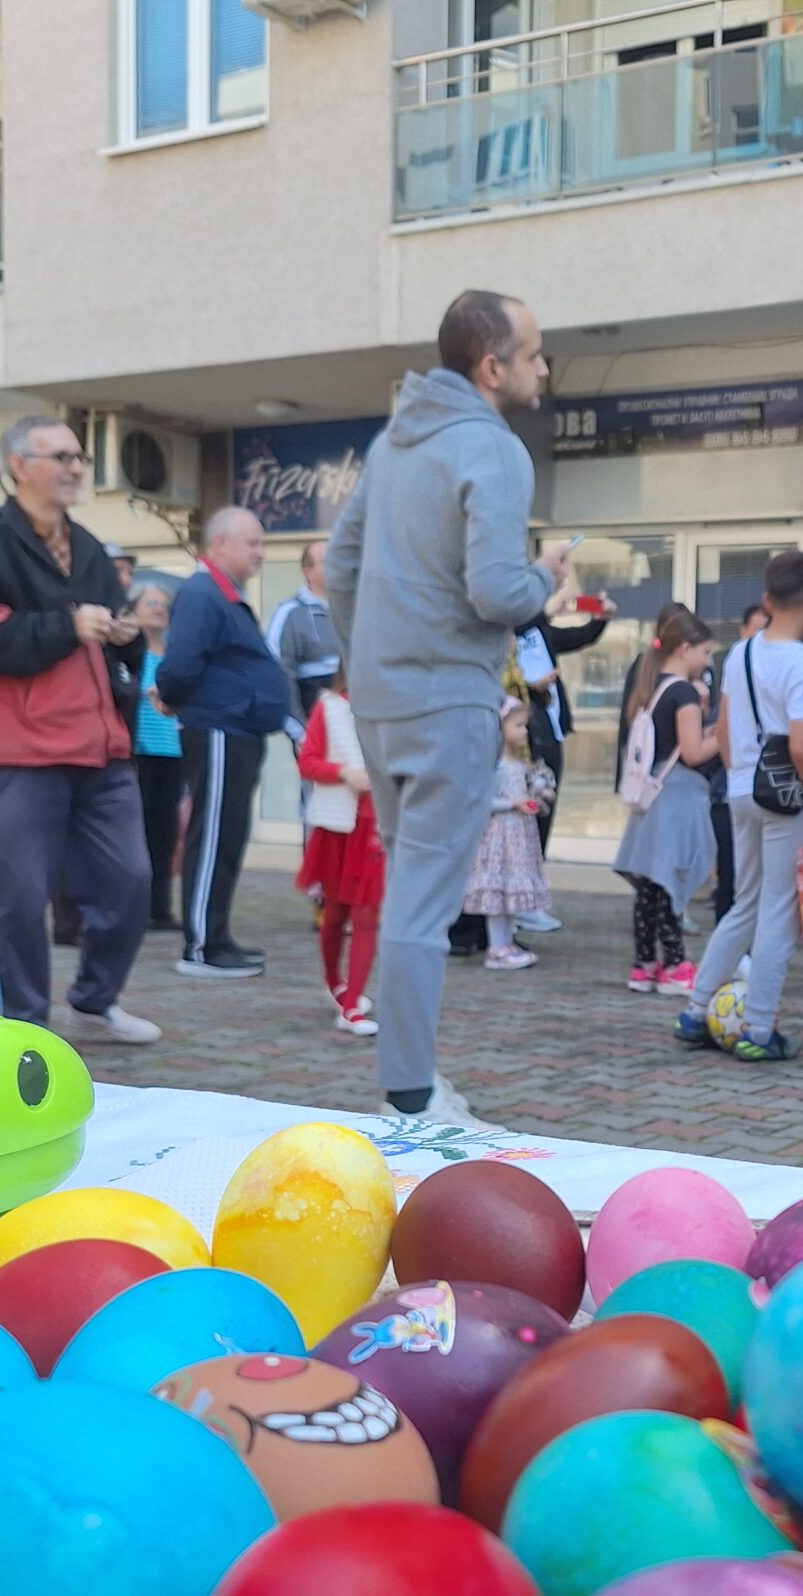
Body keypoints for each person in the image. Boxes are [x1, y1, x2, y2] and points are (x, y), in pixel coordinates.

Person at [326, 288, 571, 1125]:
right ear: (492, 365)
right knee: (424, 906)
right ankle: (412, 1094)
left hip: (385, 700)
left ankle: (409, 1085)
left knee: (409, 895)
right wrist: (550, 577)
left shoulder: (394, 442)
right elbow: (499, 589)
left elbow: (342, 563)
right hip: (449, 701)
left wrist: (367, 664)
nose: (545, 367)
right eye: (536, 353)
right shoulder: (493, 449)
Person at [0, 414, 157, 1046]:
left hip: (101, 749)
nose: (74, 468)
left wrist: (125, 637)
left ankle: (93, 1003)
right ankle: (25, 1027)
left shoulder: (88, 544)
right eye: (60, 456)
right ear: (19, 465)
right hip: (21, 751)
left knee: (133, 880)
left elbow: (105, 638)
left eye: (78, 458)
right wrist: (70, 627)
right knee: (22, 898)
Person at [674, 550, 803, 1063]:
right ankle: (760, 1028)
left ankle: (697, 1010)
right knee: (778, 913)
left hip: (741, 788)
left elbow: (722, 726)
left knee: (744, 902)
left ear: (767, 600)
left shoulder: (739, 653)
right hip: (787, 796)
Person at [160, 507, 290, 979]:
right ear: (220, 544)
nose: (261, 553)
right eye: (252, 543)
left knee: (227, 838)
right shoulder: (201, 592)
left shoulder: (222, 594)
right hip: (218, 731)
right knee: (212, 836)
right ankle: (200, 947)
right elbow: (179, 665)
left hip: (237, 732)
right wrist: (175, 699)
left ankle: (216, 936)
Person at [612, 605, 720, 994]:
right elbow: (693, 752)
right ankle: (675, 964)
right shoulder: (684, 692)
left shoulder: (650, 686)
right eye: (705, 652)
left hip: (651, 792)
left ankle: (645, 964)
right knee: (669, 878)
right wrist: (723, 732)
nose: (707, 660)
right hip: (676, 796)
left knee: (649, 883)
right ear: (686, 648)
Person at [295, 660, 386, 1037]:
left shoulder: (396, 711)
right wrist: (344, 774)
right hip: (338, 825)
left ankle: (352, 1005)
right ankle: (336, 982)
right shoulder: (330, 707)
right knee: (335, 914)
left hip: (376, 825)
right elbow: (308, 761)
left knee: (367, 915)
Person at [516, 583, 611, 869]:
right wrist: (533, 687)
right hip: (522, 734)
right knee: (523, 812)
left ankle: (535, 880)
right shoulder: (503, 634)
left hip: (551, 729)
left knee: (546, 805)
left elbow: (578, 637)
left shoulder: (541, 632)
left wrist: (599, 619)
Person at [463, 697, 552, 970]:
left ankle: (507, 940)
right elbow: (483, 801)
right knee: (497, 892)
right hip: (500, 837)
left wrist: (539, 795)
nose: (524, 732)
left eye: (524, 726)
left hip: (518, 837)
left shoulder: (521, 766)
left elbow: (531, 794)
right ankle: (497, 945)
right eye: (518, 726)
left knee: (510, 892)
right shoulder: (497, 768)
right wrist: (513, 804)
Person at [128, 581, 186, 931]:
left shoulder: (175, 657)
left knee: (166, 834)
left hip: (174, 753)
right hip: (138, 754)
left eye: (164, 604)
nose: (158, 609)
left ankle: (161, 908)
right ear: (133, 609)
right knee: (138, 833)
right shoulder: (129, 655)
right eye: (150, 603)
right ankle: (136, 907)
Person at [705, 604, 767, 926]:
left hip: (759, 794)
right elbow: (721, 733)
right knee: (732, 880)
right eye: (755, 631)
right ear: (743, 632)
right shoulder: (733, 670)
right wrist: (733, 774)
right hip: (729, 795)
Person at [267, 540, 343, 727]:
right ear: (307, 571)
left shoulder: (354, 609)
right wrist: (299, 730)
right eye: (327, 561)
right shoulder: (290, 613)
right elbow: (280, 672)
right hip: (315, 724)